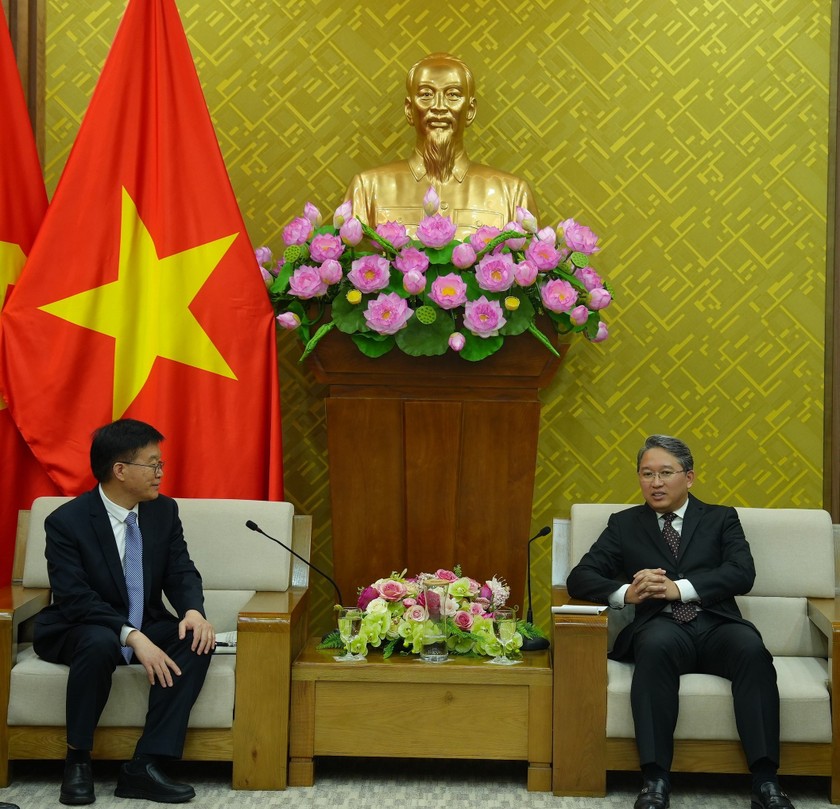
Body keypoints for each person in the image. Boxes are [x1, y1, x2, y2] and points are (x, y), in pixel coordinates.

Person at [566, 434, 794, 809]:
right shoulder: (624, 525)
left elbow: (742, 573)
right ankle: (655, 780)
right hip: (662, 626)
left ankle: (766, 782)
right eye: (647, 474)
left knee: (752, 651)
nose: (655, 483)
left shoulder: (721, 518)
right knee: (653, 648)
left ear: (689, 477)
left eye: (665, 473)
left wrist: (680, 589)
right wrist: (627, 593)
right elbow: (580, 577)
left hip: (717, 623)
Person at [34, 419, 215, 805]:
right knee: (100, 641)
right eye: (152, 464)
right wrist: (132, 636)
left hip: (145, 619)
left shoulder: (163, 511)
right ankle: (77, 760)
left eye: (161, 463)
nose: (160, 472)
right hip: (80, 625)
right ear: (120, 469)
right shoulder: (67, 522)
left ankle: (145, 765)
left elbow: (180, 570)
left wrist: (193, 611)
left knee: (195, 640)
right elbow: (75, 597)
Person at [345, 52, 538, 239]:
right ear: (409, 110)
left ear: (470, 110)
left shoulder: (512, 193)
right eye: (426, 94)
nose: (438, 106)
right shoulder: (368, 188)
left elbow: (530, 258)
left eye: (453, 95)